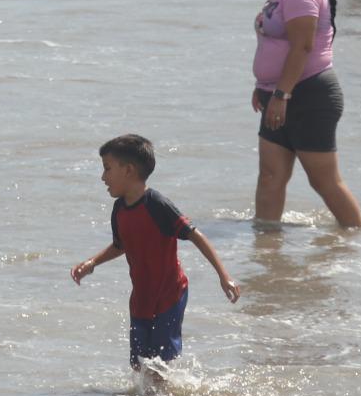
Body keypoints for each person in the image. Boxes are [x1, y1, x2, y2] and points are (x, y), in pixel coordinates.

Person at [71, 135, 241, 371]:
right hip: (141, 299)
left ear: (128, 170)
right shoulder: (119, 209)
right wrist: (92, 262)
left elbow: (195, 235)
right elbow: (120, 245)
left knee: (161, 365)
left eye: (107, 169)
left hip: (169, 295)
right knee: (139, 365)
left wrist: (224, 276)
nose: (103, 177)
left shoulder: (157, 205)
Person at [248, 0, 361, 229]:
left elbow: (303, 46)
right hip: (280, 93)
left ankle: (358, 239)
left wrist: (281, 94)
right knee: (270, 176)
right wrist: (264, 86)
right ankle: (266, 245)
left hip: (307, 95)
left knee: (323, 181)